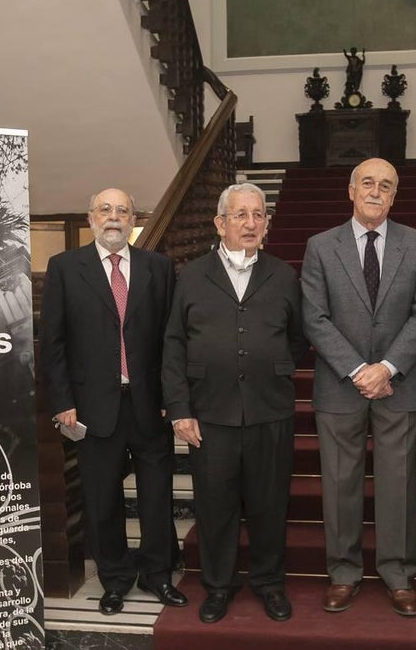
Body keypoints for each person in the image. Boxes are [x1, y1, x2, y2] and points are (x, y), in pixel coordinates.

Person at [163, 183, 307, 624]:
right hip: (210, 411)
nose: (250, 223)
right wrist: (180, 408)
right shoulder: (191, 276)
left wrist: (274, 367)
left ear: (266, 223)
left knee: (269, 504)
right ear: (220, 223)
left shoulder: (283, 275)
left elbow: (298, 337)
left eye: (258, 215)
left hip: (270, 409)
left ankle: (269, 584)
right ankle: (218, 586)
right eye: (240, 215)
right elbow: (174, 344)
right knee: (215, 506)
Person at [301, 157, 416, 616]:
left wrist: (389, 368)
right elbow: (314, 317)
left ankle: (398, 575)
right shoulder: (321, 246)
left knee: (398, 483)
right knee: (340, 483)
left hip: (400, 384)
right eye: (367, 183)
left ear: (395, 196)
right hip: (340, 385)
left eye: (385, 185)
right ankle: (343, 572)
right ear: (351, 190)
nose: (376, 191)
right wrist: (360, 369)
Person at [41, 189, 187, 615]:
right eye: (106, 209)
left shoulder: (158, 268)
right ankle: (116, 579)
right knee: (102, 498)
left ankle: (158, 574)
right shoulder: (65, 268)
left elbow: (172, 340)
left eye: (123, 211)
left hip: (149, 405)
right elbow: (53, 342)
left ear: (134, 220)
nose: (114, 217)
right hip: (91, 408)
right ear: (91, 217)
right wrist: (62, 401)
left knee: (156, 495)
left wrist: (173, 396)